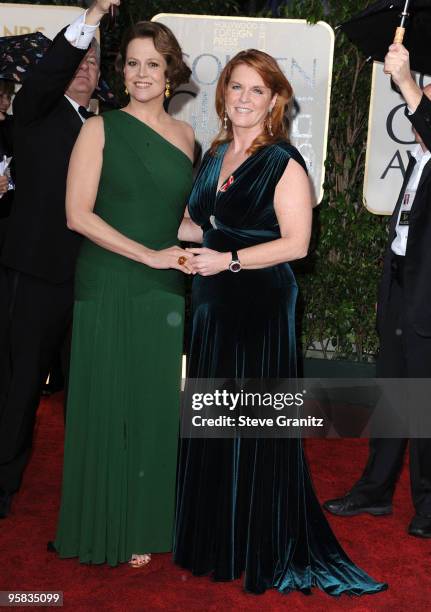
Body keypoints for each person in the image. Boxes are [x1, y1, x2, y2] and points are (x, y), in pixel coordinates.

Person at [173, 49, 387, 596]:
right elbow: (198, 226)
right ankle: (217, 535)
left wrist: (228, 259)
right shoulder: (216, 153)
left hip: (260, 304)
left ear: (274, 101)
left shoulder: (284, 162)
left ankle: (258, 539)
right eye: (235, 87)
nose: (242, 99)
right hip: (212, 304)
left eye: (255, 91)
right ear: (223, 94)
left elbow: (297, 244)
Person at [53, 21, 194, 569]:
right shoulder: (98, 129)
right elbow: (76, 215)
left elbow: (177, 221)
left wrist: (240, 240)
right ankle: (103, 521)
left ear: (169, 75)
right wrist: (149, 254)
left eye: (152, 65)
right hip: (110, 280)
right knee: (107, 404)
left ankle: (144, 524)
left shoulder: (188, 139)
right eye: (132, 63)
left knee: (155, 408)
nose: (140, 74)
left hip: (162, 286)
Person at [0, 0, 112, 520]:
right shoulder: (34, 112)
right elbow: (50, 74)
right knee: (18, 388)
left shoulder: (104, 128)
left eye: (94, 62)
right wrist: (87, 23)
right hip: (35, 276)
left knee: (87, 393)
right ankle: (3, 485)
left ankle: (89, 487)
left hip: (90, 280)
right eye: (77, 60)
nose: (85, 69)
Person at [324, 44, 431, 539]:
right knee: (393, 396)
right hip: (401, 292)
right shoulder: (417, 162)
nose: (421, 106)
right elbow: (403, 235)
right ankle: (374, 492)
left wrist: (407, 81)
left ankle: (429, 505)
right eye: (424, 96)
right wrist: (386, 290)